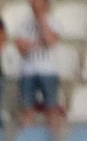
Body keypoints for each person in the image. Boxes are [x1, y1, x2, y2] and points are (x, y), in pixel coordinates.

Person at [14, 0, 63, 132]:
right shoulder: (23, 24)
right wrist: (37, 43)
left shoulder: (54, 22)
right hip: (27, 71)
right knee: (26, 109)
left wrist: (42, 21)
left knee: (51, 108)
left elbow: (49, 41)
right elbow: (20, 47)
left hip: (48, 71)